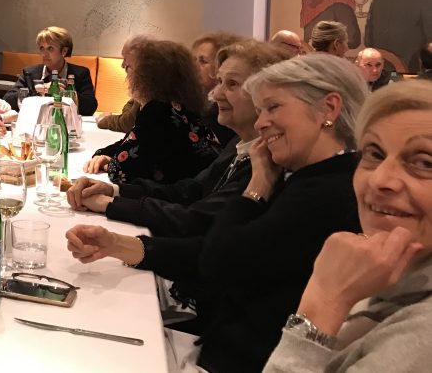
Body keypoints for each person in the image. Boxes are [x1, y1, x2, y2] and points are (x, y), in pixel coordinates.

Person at [67, 54, 366, 372]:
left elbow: (217, 260)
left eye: (273, 107)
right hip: (217, 347)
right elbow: (216, 244)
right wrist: (115, 244)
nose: (261, 123)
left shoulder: (323, 191)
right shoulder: (302, 176)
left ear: (328, 109)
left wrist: (255, 188)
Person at [262, 79, 432, 372]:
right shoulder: (384, 270)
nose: (379, 179)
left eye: (425, 163)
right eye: (374, 154)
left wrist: (324, 300)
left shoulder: (422, 336)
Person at [69, 41, 288, 237]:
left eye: (232, 84)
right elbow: (189, 190)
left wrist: (111, 205)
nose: (216, 94)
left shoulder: (267, 160)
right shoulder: (237, 145)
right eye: (220, 81)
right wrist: (114, 191)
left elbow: (199, 222)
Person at [84, 39, 221, 185]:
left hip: (186, 193)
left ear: (148, 75)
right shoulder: (181, 103)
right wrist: (104, 154)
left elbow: (123, 171)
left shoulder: (158, 110)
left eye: (128, 67)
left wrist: (109, 162)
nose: (125, 71)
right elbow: (132, 140)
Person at [3, 26, 97, 115]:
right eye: (42, 48)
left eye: (50, 48)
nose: (44, 54)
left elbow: (91, 107)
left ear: (64, 51)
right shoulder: (30, 72)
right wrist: (36, 90)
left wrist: (65, 93)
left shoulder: (80, 73)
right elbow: (8, 100)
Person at [191, 31, 245, 145]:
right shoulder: (197, 103)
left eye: (203, 61)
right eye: (194, 60)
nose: (194, 67)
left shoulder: (223, 112)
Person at [97, 34, 150, 132]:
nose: (122, 65)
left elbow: (127, 124)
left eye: (125, 59)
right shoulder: (146, 85)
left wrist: (105, 120)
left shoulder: (150, 89)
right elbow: (130, 108)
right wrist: (127, 115)